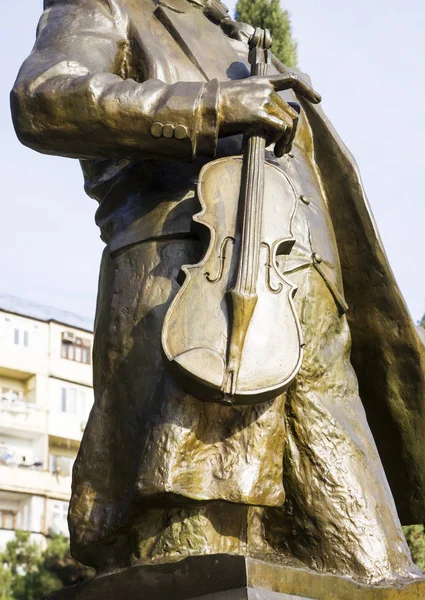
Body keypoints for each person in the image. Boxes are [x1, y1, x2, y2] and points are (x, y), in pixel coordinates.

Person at [11, 0, 425, 585]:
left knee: (380, 572)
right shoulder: (107, 5)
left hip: (309, 315)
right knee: (200, 558)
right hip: (196, 309)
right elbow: (45, 96)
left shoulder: (238, 37)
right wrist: (214, 106)